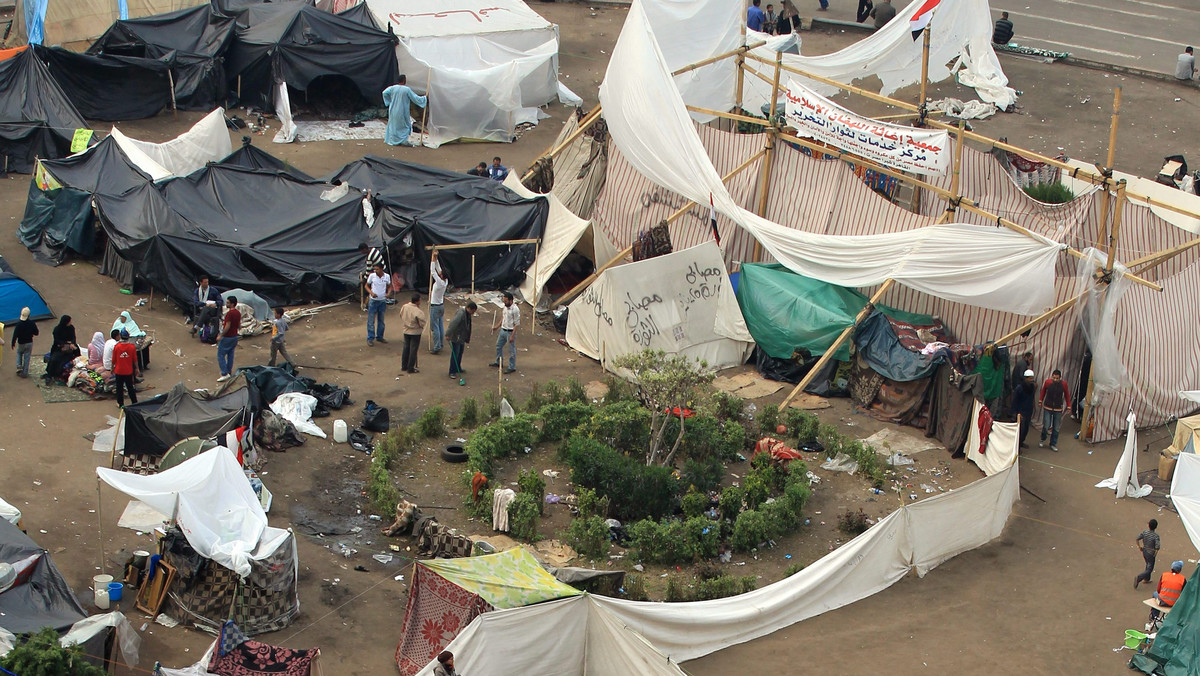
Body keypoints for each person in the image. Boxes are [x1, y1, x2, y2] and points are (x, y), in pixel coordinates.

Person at [382, 74, 428, 147]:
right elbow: (415, 98)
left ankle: (393, 140)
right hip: (402, 110)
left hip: (393, 109)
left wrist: (389, 102)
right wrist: (424, 98)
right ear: (404, 80)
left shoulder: (392, 88)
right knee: (404, 125)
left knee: (394, 125)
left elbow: (384, 93)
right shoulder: (406, 89)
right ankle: (403, 140)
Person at [1038, 368, 1070, 451]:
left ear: (1060, 378)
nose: (1055, 379)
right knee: (1046, 425)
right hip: (1047, 407)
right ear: (1052, 377)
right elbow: (1043, 391)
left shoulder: (1064, 384)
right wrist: (1040, 400)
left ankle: (1053, 443)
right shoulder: (1048, 382)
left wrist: (1069, 406)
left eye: (1057, 378)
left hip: (1058, 408)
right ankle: (1043, 438)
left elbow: (1067, 395)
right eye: (1054, 378)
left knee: (1056, 428)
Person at [490, 291, 519, 374]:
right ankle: (499, 362)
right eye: (504, 301)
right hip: (503, 329)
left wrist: (512, 336)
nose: (504, 303)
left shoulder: (515, 310)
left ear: (511, 300)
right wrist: (497, 326)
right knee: (498, 346)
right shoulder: (505, 307)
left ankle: (512, 366)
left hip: (510, 331)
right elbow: (503, 318)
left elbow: (516, 324)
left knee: (511, 350)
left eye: (506, 301)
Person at [447, 301, 477, 379]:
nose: (473, 313)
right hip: (457, 336)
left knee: (460, 352)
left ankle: (458, 368)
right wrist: (448, 334)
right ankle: (452, 371)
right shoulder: (461, 314)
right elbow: (453, 323)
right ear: (469, 309)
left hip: (462, 337)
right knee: (455, 354)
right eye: (473, 311)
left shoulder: (468, 314)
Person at [216, 296, 241, 383]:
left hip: (227, 337)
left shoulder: (229, 314)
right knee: (230, 354)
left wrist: (221, 335)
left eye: (228, 303)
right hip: (234, 336)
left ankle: (224, 373)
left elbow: (227, 326)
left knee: (220, 355)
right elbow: (239, 325)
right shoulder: (238, 313)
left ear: (232, 304)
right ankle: (229, 371)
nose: (226, 304)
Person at [399, 293, 426, 374]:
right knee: (413, 350)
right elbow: (422, 323)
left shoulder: (404, 306)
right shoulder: (418, 311)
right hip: (415, 332)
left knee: (406, 348)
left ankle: (404, 366)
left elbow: (401, 315)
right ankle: (410, 368)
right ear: (417, 301)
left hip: (406, 330)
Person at [111, 330, 139, 407]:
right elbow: (135, 359)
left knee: (119, 388)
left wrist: (112, 368)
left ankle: (120, 403)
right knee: (130, 387)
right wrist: (137, 368)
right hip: (128, 371)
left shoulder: (117, 347)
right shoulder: (132, 347)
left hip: (119, 371)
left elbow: (114, 360)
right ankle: (134, 402)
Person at [365, 262, 391, 346]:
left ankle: (380, 336)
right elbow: (366, 286)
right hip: (373, 301)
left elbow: (389, 286)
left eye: (377, 269)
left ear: (381, 268)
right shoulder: (372, 276)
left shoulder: (387, 276)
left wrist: (388, 293)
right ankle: (370, 338)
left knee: (381, 320)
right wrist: (371, 293)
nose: (375, 271)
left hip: (382, 301)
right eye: (375, 269)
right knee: (371, 320)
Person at [1011, 369, 1037, 448]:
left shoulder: (1032, 387)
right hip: (1021, 412)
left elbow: (1032, 397)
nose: (1031, 380)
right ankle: (1017, 447)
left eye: (1032, 378)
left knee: (1026, 429)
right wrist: (1015, 413)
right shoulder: (1019, 388)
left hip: (1028, 411)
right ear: (1025, 378)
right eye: (1029, 378)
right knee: (1020, 431)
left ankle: (1021, 442)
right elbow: (1015, 401)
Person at [10, 307, 38, 378]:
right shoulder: (32, 323)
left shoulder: (19, 324)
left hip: (21, 343)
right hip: (29, 342)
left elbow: (15, 334)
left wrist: (13, 343)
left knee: (19, 353)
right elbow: (36, 333)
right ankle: (25, 373)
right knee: (27, 357)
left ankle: (19, 365)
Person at [429, 251, 448, 354]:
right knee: (440, 326)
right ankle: (440, 344)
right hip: (440, 305)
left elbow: (433, 271)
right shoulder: (445, 281)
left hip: (435, 306)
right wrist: (435, 257)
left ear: (441, 276)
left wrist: (432, 258)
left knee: (435, 327)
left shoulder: (440, 282)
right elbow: (438, 269)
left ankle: (437, 347)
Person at [1135, 519, 1161, 589]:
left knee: (1148, 564)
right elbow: (1157, 547)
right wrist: (1155, 554)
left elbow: (1137, 539)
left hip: (1145, 551)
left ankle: (1147, 579)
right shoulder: (1156, 536)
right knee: (1150, 568)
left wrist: (1139, 546)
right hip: (1151, 553)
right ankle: (1139, 577)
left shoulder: (1145, 532)